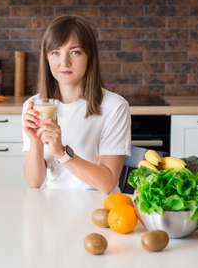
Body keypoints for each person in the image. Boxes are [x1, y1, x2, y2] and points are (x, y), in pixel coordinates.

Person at [21, 15, 131, 195]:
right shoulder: (33, 106)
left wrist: (61, 152)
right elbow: (34, 182)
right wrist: (35, 140)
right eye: (55, 52)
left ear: (89, 56)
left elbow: (107, 183)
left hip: (99, 207)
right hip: (53, 206)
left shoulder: (114, 107)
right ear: (46, 58)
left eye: (74, 52)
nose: (64, 62)